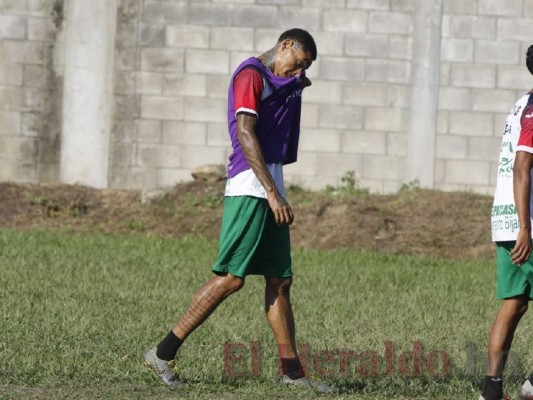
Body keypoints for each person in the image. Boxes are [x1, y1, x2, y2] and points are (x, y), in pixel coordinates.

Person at [144, 28, 335, 394]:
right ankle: (161, 353)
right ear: (285, 46)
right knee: (231, 277)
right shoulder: (250, 75)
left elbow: (288, 87)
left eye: (305, 69)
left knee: (279, 281)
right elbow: (246, 133)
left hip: (270, 184)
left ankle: (292, 374)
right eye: (299, 63)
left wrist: (296, 80)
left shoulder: (283, 80)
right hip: (251, 185)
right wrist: (271, 192)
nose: (300, 73)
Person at [480, 44, 533, 400]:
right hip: (524, 225)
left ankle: (492, 391)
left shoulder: (523, 101)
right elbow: (521, 167)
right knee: (514, 304)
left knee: (514, 303)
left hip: (508, 219)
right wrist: (525, 227)